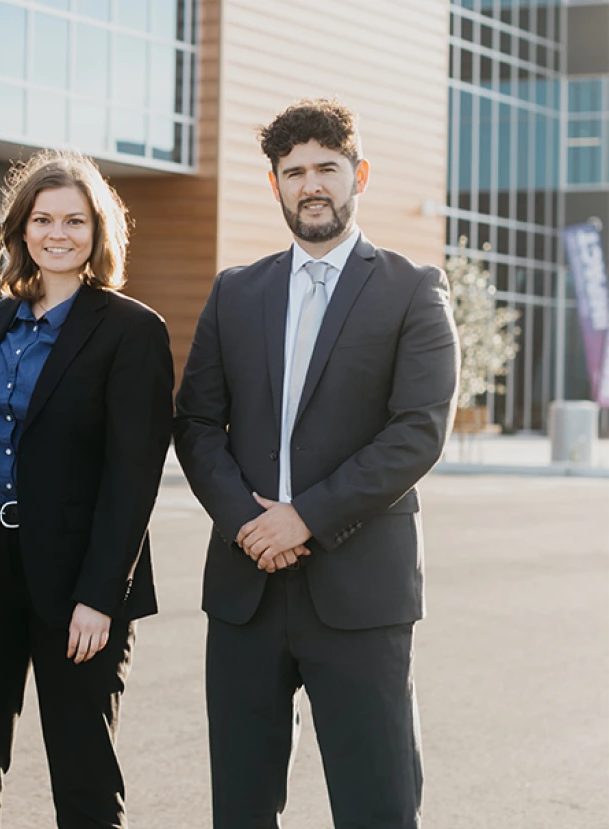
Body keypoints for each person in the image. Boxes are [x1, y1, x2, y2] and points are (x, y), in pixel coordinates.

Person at [174, 99, 460, 829]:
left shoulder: (412, 289)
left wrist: (305, 517)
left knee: (378, 806)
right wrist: (249, 523)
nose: (311, 185)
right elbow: (198, 423)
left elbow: (417, 432)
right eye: (293, 171)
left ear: (357, 174)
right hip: (246, 591)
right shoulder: (235, 290)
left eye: (326, 168)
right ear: (275, 184)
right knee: (240, 808)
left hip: (360, 593)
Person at [0, 149, 174, 829]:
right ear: (21, 230)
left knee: (84, 779)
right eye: (42, 218)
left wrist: (100, 596)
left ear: (98, 231)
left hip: (77, 578)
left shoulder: (132, 330)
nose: (57, 233)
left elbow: (134, 476)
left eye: (74, 220)